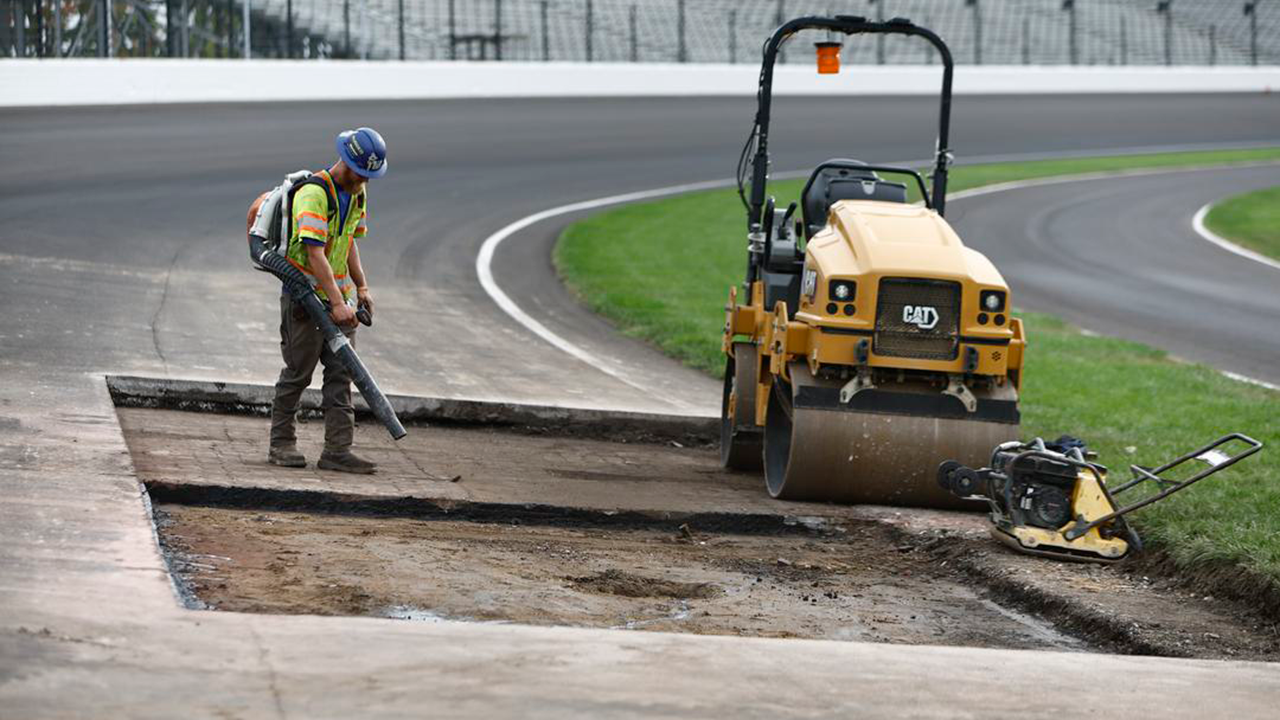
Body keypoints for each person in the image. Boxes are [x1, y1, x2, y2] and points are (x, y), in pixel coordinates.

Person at [267, 127, 387, 474]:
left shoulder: (358, 193)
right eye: (362, 172)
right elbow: (314, 253)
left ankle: (337, 450)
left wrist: (361, 288)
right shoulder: (314, 194)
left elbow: (348, 240)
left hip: (341, 301)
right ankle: (281, 444)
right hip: (305, 300)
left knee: (341, 377)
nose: (366, 180)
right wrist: (336, 303)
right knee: (297, 374)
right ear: (347, 163)